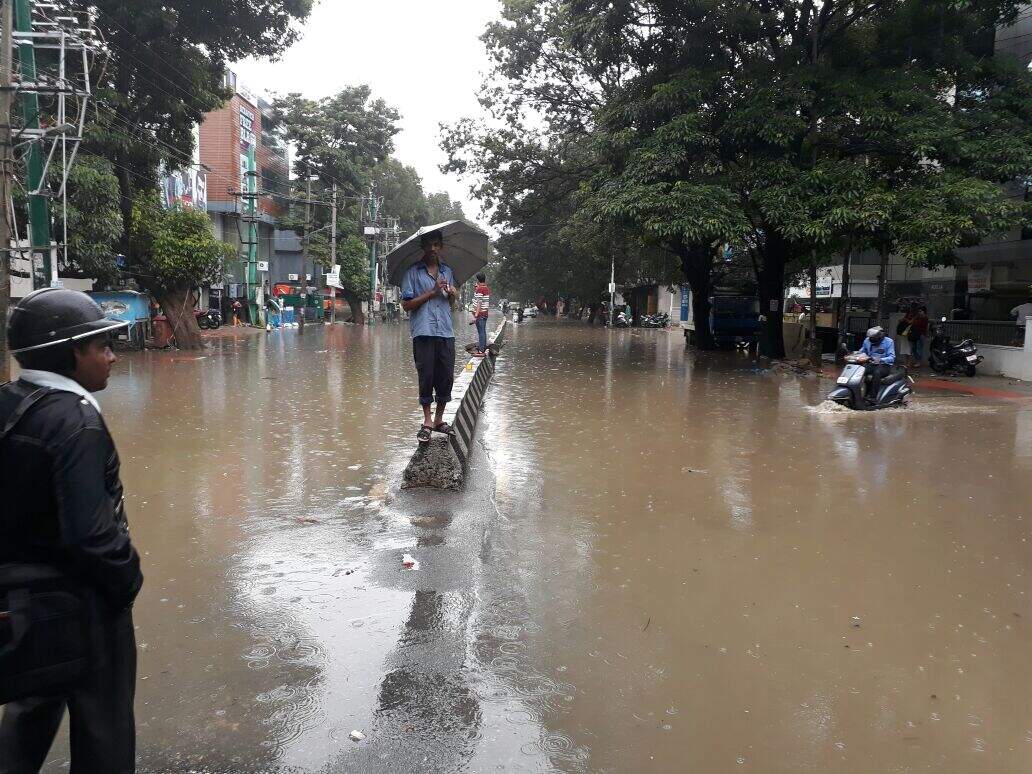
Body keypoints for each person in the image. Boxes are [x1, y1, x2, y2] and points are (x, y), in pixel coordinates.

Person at [0, 288, 144, 773]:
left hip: (21, 608)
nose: (112, 356)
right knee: (105, 728)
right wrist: (127, 581)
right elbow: (92, 535)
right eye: (101, 345)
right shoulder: (75, 421)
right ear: (70, 353)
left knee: (28, 712)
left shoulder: (10, 403)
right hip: (83, 609)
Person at [401, 230, 458, 444]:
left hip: (445, 331)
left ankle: (439, 419)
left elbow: (450, 304)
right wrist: (431, 293)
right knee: (426, 376)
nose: (433, 249)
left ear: (441, 246)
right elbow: (407, 305)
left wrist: (452, 295)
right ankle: (426, 421)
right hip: (423, 331)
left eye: (436, 245)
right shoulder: (412, 272)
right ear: (423, 247)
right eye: (429, 245)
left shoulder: (447, 272)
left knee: (446, 376)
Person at [858, 325, 896, 404]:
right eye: (870, 338)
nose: (871, 340)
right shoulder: (867, 340)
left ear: (880, 337)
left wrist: (880, 360)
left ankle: (873, 398)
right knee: (859, 370)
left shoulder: (889, 342)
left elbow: (892, 357)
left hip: (884, 366)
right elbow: (862, 351)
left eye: (873, 338)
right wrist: (859, 355)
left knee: (877, 373)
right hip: (870, 364)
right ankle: (859, 394)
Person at [469, 272, 491, 356]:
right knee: (483, 332)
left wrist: (475, 316)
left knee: (481, 332)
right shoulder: (485, 288)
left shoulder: (480, 289)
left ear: (477, 280)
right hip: (485, 313)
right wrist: (477, 289)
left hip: (480, 314)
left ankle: (481, 351)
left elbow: (479, 303)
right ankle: (483, 349)